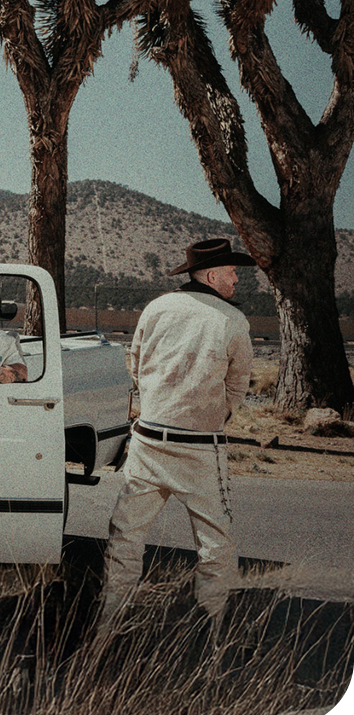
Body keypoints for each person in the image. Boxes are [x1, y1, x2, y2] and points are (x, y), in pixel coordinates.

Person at [101, 238, 255, 623]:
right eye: (232, 272)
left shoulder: (156, 308)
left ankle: (109, 623)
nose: (237, 279)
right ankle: (214, 628)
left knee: (125, 538)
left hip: (148, 441)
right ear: (212, 276)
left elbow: (135, 364)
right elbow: (238, 385)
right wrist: (209, 415)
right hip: (200, 449)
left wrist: (160, 404)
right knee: (216, 544)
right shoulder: (232, 320)